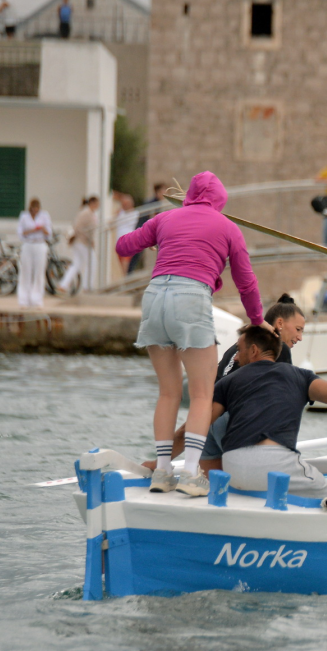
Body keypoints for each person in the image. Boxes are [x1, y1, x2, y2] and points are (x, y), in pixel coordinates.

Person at [115, 171, 270, 494]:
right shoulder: (228, 228)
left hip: (155, 296)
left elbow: (123, 245)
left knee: (168, 392)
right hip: (191, 299)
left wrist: (159, 240)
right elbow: (247, 282)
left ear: (189, 195)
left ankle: (161, 472)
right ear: (220, 201)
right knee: (202, 394)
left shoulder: (165, 218)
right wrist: (257, 319)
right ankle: (189, 474)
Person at [203, 325, 327, 498]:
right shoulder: (300, 376)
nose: (236, 357)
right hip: (277, 465)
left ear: (254, 350)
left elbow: (196, 427)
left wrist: (168, 461)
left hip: (233, 468)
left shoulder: (227, 382)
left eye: (239, 350)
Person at [157, 294, 307, 476]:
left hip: (208, 424)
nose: (299, 337)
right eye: (298, 329)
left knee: (213, 486)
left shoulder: (237, 347)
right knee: (251, 486)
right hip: (236, 423)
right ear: (280, 324)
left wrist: (163, 460)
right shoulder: (277, 349)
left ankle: (160, 467)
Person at [58, 196, 98, 295]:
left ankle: (64, 285)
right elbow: (79, 227)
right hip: (81, 241)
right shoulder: (87, 213)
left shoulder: (88, 213)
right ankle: (87, 286)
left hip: (81, 241)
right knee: (92, 262)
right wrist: (89, 239)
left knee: (77, 263)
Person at [16, 198, 51, 308]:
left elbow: (49, 233)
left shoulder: (44, 215)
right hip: (28, 244)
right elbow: (21, 233)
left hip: (40, 244)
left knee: (39, 272)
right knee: (25, 272)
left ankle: (37, 299)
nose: (35, 212)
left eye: (37, 209)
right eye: (33, 209)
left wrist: (42, 228)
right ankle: (23, 300)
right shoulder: (24, 216)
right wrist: (33, 230)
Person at [114, 194, 138, 274]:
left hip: (128, 240)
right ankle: (124, 279)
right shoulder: (121, 213)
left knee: (126, 262)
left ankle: (125, 281)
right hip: (119, 240)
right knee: (122, 263)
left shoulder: (136, 213)